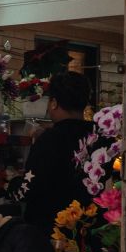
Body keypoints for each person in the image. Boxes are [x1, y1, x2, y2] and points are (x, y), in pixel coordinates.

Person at [22, 71, 97, 237]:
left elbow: (28, 188)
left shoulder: (49, 139)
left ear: (54, 103)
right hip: (91, 229)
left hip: (51, 232)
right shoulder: (98, 136)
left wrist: (10, 185)